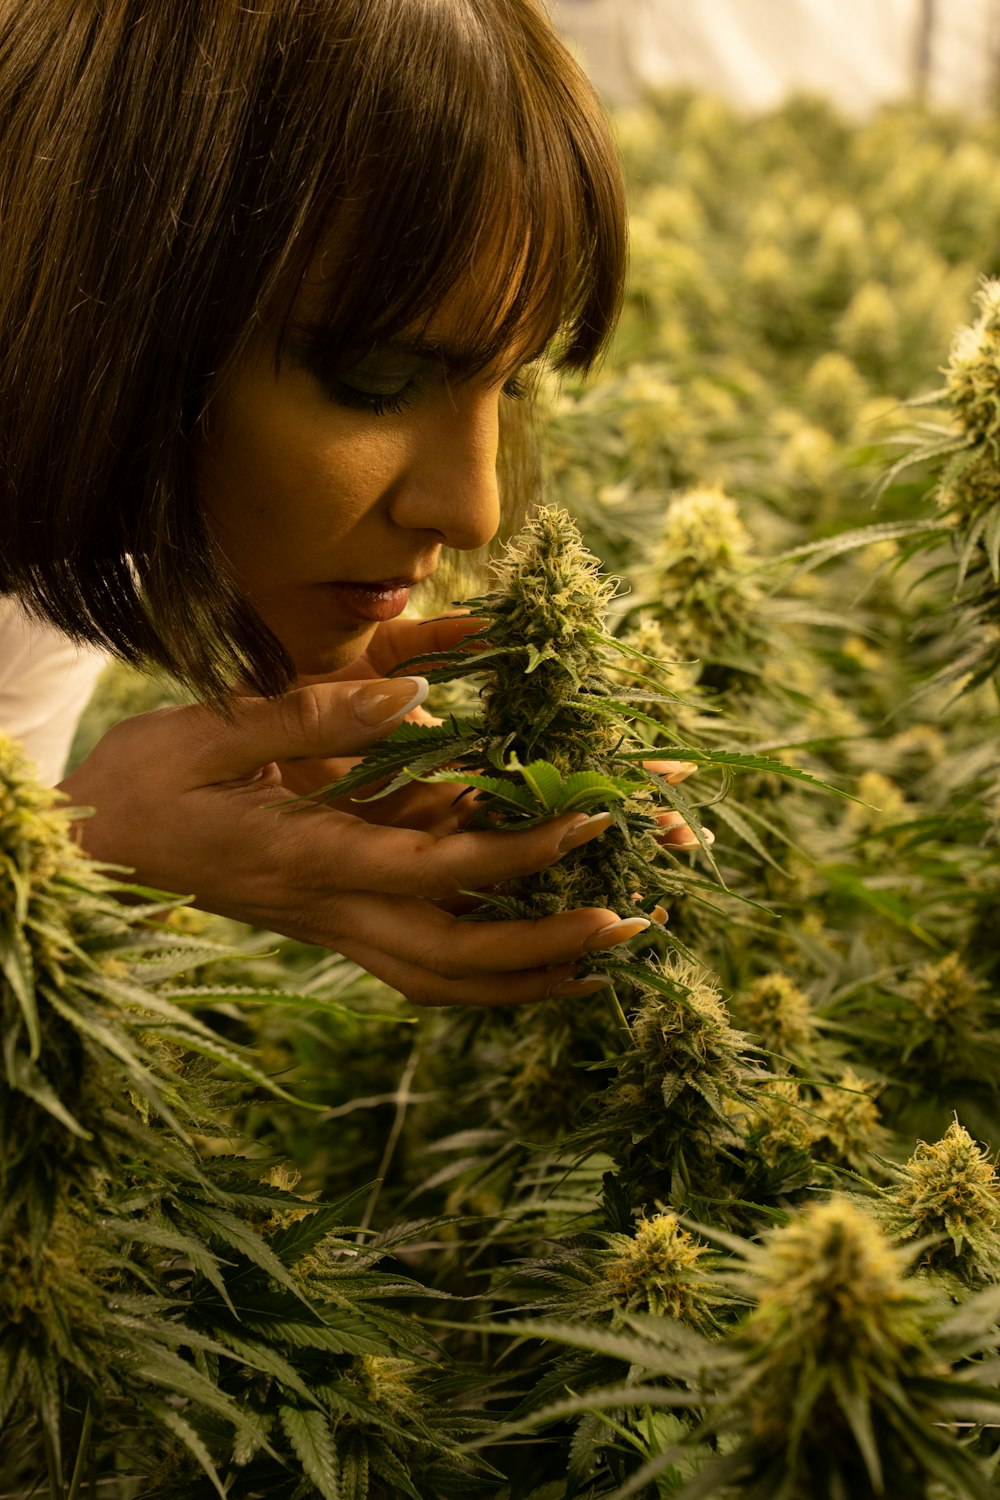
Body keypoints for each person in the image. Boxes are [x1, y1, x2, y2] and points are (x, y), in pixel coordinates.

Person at [0, 0, 679, 1008]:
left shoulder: (60, 538)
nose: (475, 512)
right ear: (128, 291)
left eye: (511, 383)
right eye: (374, 376)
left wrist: (71, 843)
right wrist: (87, 843)